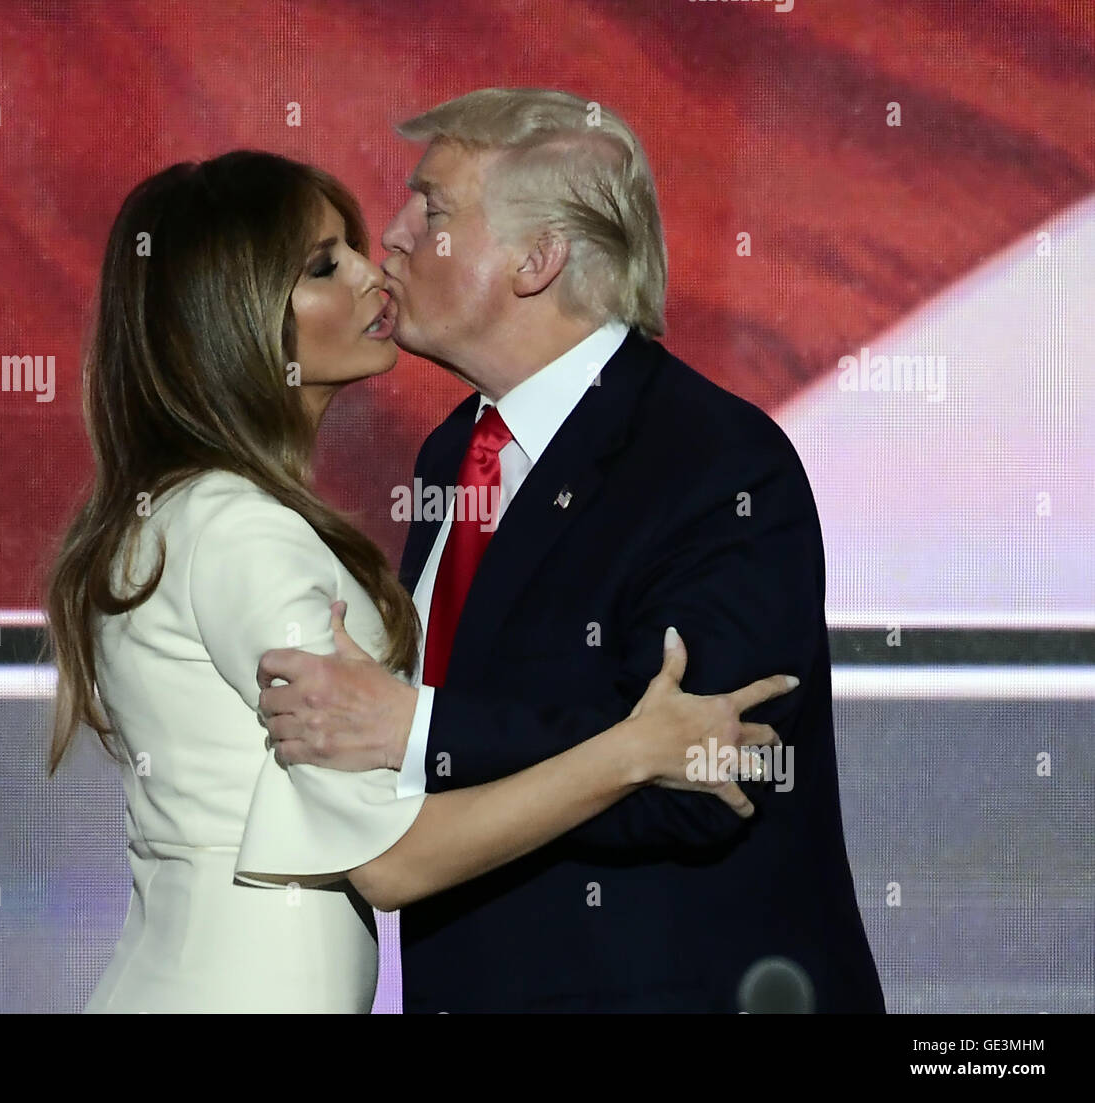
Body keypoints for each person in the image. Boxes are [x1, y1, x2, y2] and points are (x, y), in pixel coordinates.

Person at [43, 149, 794, 1013]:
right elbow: (392, 859)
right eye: (326, 265)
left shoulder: (187, 510)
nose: (377, 270)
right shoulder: (243, 529)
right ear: (234, 318)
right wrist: (632, 749)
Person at [256, 89, 887, 1013]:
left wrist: (414, 727)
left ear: (538, 259)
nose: (390, 235)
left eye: (432, 208)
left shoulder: (714, 460)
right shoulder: (455, 452)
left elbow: (711, 770)